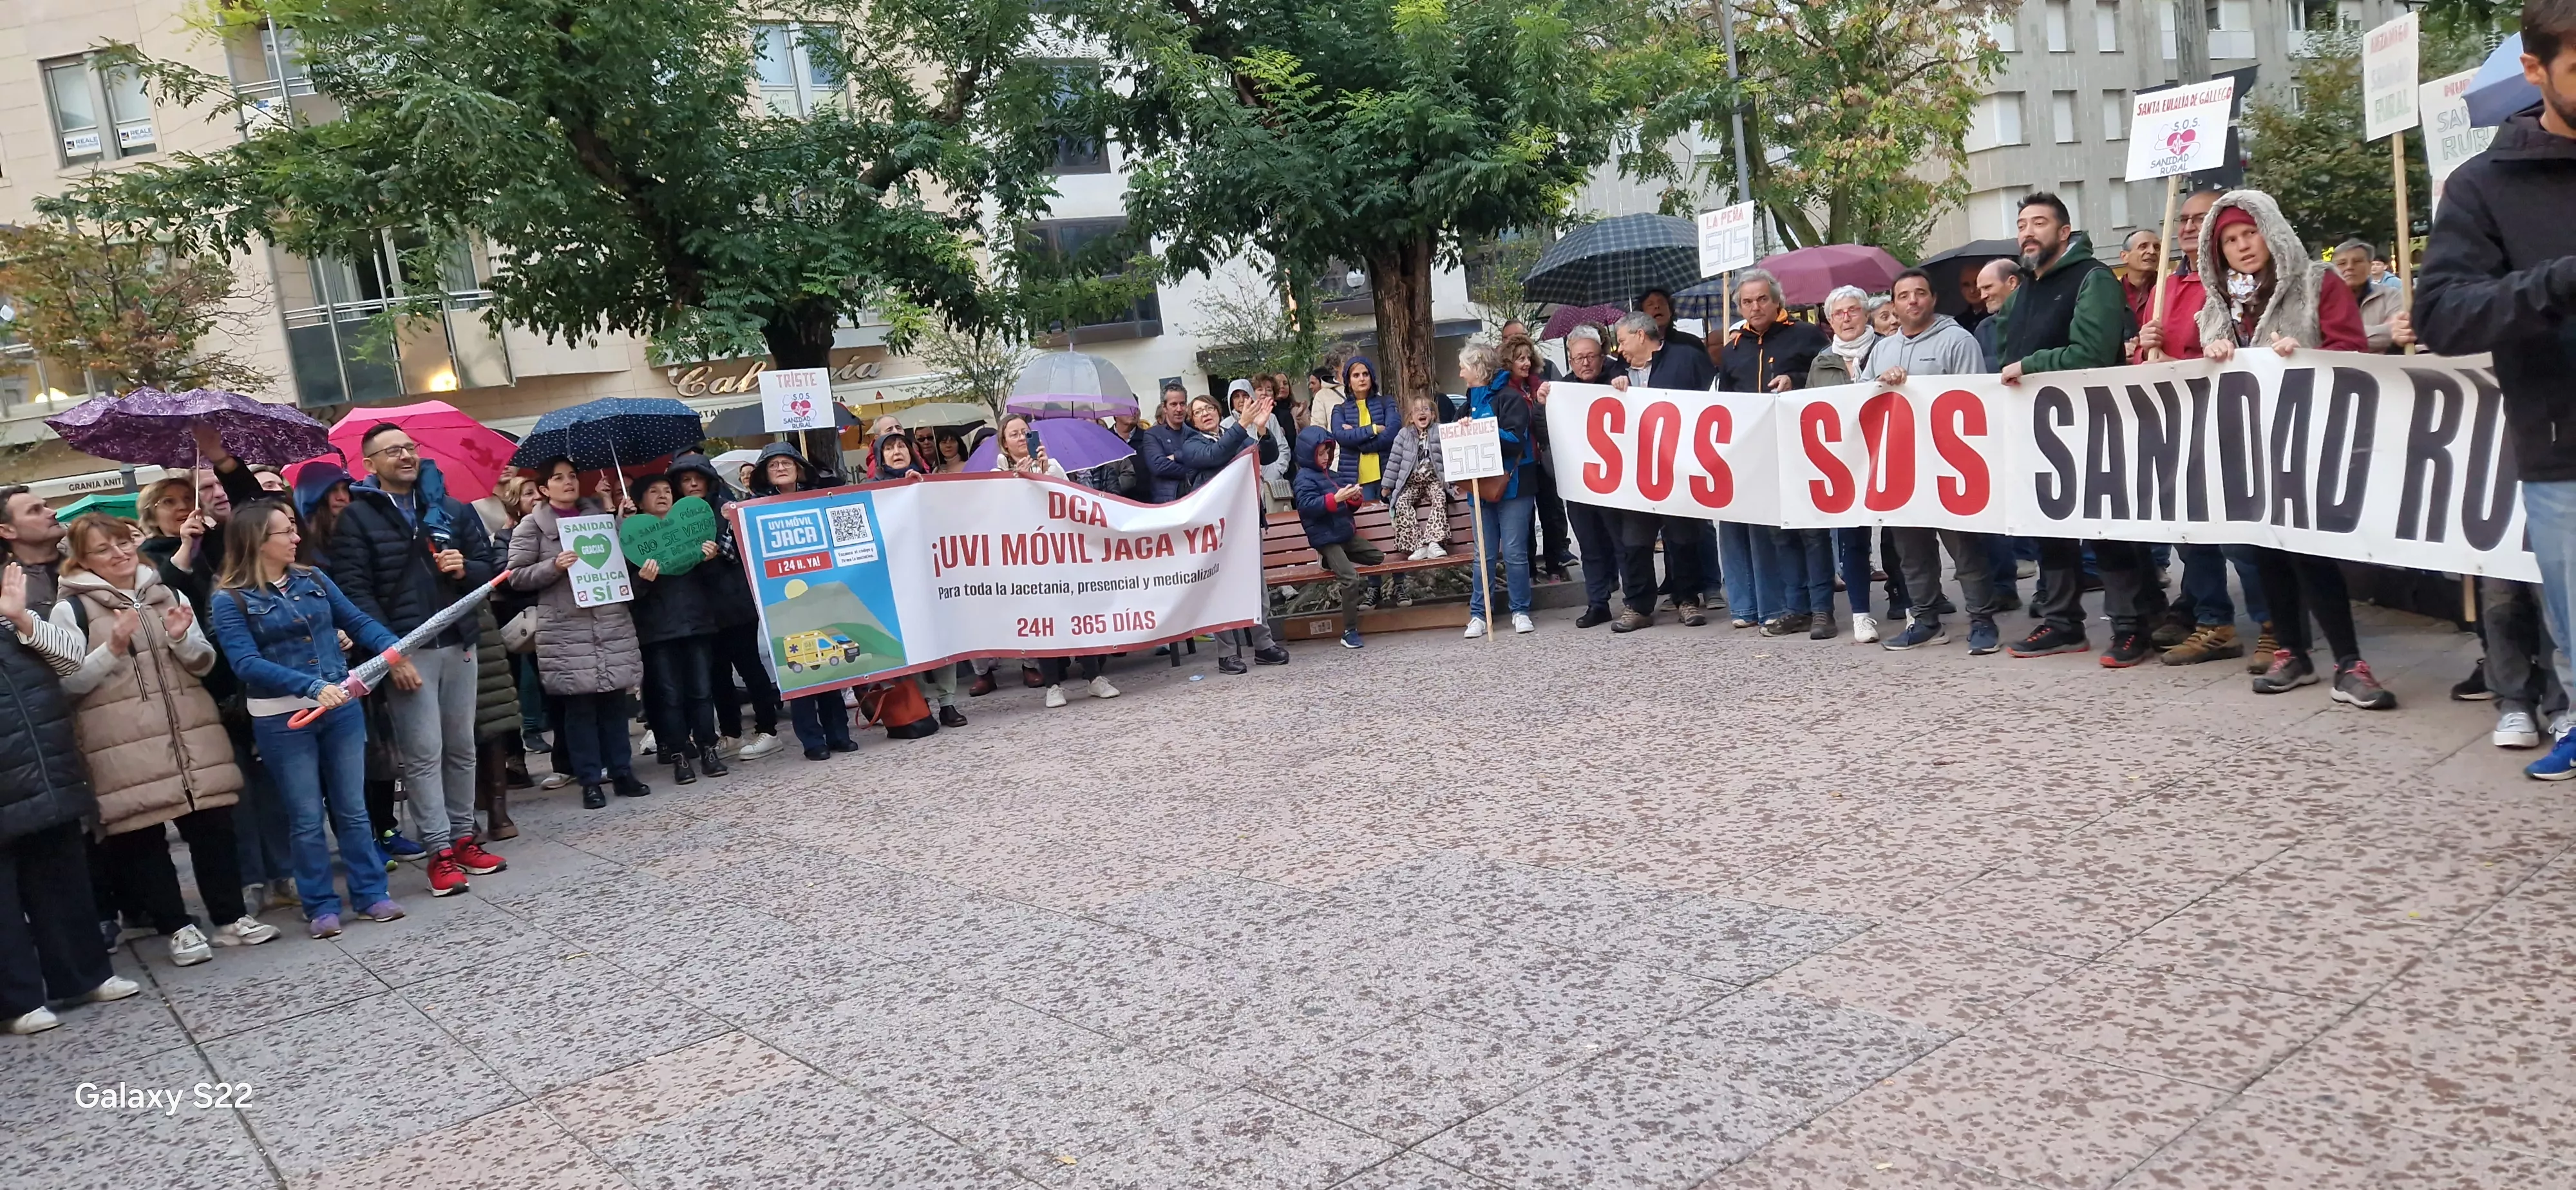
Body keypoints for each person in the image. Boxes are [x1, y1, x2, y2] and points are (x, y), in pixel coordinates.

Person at [2416, 1, 2576, 771]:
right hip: (2563, 451)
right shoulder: (2483, 186)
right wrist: (2556, 284)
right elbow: (2442, 317)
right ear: (2534, 71)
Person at [2152, 190, 2389, 706]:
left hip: (2310, 439)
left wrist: (2306, 355)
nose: (2241, 247)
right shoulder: (2218, 303)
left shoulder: (2317, 282)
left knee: (2312, 554)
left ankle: (2350, 662)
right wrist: (2215, 353)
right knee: (2267, 550)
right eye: (2230, 240)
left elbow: (2351, 350)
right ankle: (2293, 653)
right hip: (2248, 446)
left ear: (2271, 230)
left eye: (2248, 233)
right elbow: (2199, 366)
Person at [50, 515, 277, 967]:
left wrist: (180, 641)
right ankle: (176, 926)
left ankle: (230, 918)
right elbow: (68, 684)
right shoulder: (69, 611)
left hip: (189, 730)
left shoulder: (166, 592)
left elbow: (202, 662)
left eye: (121, 542)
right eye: (103, 549)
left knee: (212, 825)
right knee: (142, 835)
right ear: (82, 559)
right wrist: (112, 648)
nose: (118, 554)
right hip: (120, 741)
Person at [205, 500, 409, 939]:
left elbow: (354, 619)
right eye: (286, 531)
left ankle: (372, 893)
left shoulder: (313, 578)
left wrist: (393, 646)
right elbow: (245, 663)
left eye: (294, 528)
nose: (297, 537)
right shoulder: (230, 599)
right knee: (304, 816)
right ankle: (320, 904)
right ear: (259, 541)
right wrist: (310, 686)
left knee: (353, 809)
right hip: (283, 720)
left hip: (341, 710)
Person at [1991, 192, 2166, 665]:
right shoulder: (2025, 289)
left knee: (2108, 528)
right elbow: (2002, 353)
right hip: (2042, 427)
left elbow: (2089, 353)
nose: (2028, 231)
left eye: (2040, 223)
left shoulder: (2093, 280)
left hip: (2094, 424)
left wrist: (2029, 365)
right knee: (2051, 527)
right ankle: (2063, 622)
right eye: (2023, 223)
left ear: (2064, 232)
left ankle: (2133, 626)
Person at [328, 422, 503, 896]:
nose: (405, 456)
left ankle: (466, 837)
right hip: (406, 652)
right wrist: (390, 654)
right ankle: (439, 852)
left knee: (462, 746)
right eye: (392, 451)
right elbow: (355, 593)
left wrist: (466, 568)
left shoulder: (449, 508)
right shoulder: (357, 519)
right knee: (424, 753)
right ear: (370, 464)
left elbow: (492, 572)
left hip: (459, 640)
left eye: (410, 447)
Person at [1, 560, 142, 1034]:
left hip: (44, 769)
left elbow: (71, 659)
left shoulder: (14, 613)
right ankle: (17, 1002)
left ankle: (84, 976)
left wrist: (22, 619)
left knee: (61, 879)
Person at [2136, 186, 2273, 667]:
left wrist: (2174, 359)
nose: (2190, 227)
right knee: (2191, 536)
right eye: (2184, 220)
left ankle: (2274, 624)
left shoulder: (2233, 286)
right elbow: (2143, 364)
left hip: (2231, 427)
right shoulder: (2163, 289)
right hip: (2177, 428)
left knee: (2242, 536)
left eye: (2201, 219)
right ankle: (2214, 623)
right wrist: (2142, 345)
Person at [1867, 269, 2006, 656]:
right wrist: (1880, 381)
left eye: (1920, 293)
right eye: (1904, 295)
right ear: (1893, 305)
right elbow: (1863, 398)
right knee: (1912, 552)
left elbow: (1973, 400)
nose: (1912, 301)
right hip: (1902, 466)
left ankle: (1983, 621)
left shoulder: (1957, 341)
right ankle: (1925, 620)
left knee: (1964, 549)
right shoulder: (1882, 349)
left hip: (1949, 464)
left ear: (1933, 299)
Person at [509, 458, 655, 801]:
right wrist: (553, 565)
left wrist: (625, 523)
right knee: (579, 710)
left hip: (609, 622)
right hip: (565, 629)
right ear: (544, 489)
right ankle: (589, 780)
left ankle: (623, 772)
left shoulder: (600, 520)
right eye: (558, 478)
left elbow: (621, 559)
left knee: (614, 705)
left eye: (572, 476)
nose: (568, 482)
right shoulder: (531, 527)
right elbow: (515, 576)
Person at [1600, 312, 1718, 631]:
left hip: (1678, 465)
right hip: (1637, 471)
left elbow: (1713, 398)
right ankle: (1638, 606)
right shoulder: (1615, 369)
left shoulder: (1686, 359)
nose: (1619, 347)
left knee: (1682, 537)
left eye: (1623, 340)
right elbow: (1589, 399)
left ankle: (1687, 600)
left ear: (1641, 335)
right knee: (1635, 540)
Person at [668, 452, 793, 750]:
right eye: (686, 480)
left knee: (749, 665)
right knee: (717, 673)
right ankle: (732, 732)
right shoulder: (675, 516)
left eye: (697, 478)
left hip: (735, 603)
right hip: (702, 607)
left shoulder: (726, 508)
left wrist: (719, 550)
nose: (693, 484)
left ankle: (768, 728)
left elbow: (743, 551)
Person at [746, 442, 860, 757]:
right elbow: (737, 553)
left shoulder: (818, 500)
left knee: (831, 671)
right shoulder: (752, 510)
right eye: (773, 465)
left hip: (822, 596)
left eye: (787, 462)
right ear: (764, 475)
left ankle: (838, 734)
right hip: (783, 603)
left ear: (799, 468)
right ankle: (812, 741)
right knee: (800, 672)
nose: (781, 468)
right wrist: (732, 521)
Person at [624, 473, 728, 787]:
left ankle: (709, 748)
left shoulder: (691, 531)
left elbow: (715, 584)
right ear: (640, 502)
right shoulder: (632, 540)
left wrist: (709, 560)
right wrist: (643, 579)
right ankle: (680, 754)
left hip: (696, 623)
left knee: (701, 690)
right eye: (653, 492)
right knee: (669, 695)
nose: (662, 496)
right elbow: (628, 593)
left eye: (667, 491)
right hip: (657, 631)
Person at [1178, 394, 1288, 672]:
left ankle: (1263, 645)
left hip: (1247, 522)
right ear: (1193, 421)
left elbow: (1268, 455)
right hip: (1215, 528)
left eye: (1209, 408)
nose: (1205, 414)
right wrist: (1243, 425)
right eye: (1198, 411)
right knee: (1221, 589)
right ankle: (1227, 653)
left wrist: (1261, 429)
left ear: (1217, 411)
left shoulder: (1234, 434)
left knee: (1256, 586)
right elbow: (1216, 455)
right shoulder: (1191, 445)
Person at [1806, 284, 1886, 643]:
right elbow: (1810, 410)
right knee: (1852, 540)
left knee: (1902, 537)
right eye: (1838, 314)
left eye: (1853, 310)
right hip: (1845, 462)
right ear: (1829, 321)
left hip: (1889, 454)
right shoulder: (1821, 362)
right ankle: (1861, 613)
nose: (1846, 318)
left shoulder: (1888, 350)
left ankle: (1914, 604)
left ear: (1866, 313)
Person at [1553, 326, 1634, 627]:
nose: (1585, 363)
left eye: (1591, 356)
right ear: (1571, 361)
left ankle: (1634, 603)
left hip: (1617, 481)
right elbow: (1542, 427)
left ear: (1603, 356)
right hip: (1580, 482)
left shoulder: (1619, 379)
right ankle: (1597, 603)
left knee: (1622, 544)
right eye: (1578, 358)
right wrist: (1541, 403)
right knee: (1589, 547)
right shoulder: (1561, 389)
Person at [1457, 343, 1538, 638]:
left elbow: (1517, 438)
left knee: (1515, 552)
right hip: (1479, 488)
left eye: (1464, 366)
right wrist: (1464, 431)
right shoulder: (1466, 404)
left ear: (1478, 367)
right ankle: (1479, 613)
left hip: (1514, 484)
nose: (1460, 372)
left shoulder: (1510, 398)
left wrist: (1481, 428)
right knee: (1484, 554)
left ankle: (1520, 610)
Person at [1293, 428, 1382, 648]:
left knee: (1377, 557)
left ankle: (1330, 561)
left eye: (1328, 453)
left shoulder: (1331, 475)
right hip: (1326, 538)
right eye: (1321, 454)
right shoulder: (1303, 478)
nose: (1325, 458)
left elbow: (1347, 508)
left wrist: (1353, 499)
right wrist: (1335, 498)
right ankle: (1349, 631)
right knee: (1350, 578)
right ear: (1309, 454)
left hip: (1344, 533)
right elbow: (1308, 507)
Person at [1497, 334, 1573, 585]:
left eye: (1528, 357)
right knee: (1525, 519)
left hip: (1544, 460)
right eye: (1520, 359)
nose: (1526, 363)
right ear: (1509, 362)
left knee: (1552, 514)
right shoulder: (1504, 391)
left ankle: (1555, 565)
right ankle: (1529, 570)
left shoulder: (1538, 385)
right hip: (1522, 464)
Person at [1383, 395, 1449, 563]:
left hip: (1434, 479)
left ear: (1433, 415)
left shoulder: (1440, 431)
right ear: (1411, 418)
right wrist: (1387, 486)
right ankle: (1419, 545)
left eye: (1426, 409)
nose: (1422, 413)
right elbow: (1395, 461)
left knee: (1440, 497)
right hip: (1412, 482)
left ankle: (1434, 542)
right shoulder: (1404, 435)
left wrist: (1453, 482)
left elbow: (1450, 456)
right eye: (1417, 410)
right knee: (1402, 503)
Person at [1329, 357, 1397, 505]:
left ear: (1372, 378)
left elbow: (1391, 434)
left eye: (1365, 374)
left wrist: (1358, 439)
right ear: (1348, 381)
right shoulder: (1340, 410)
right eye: (1356, 375)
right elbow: (1342, 437)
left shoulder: (1387, 403)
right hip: (1356, 481)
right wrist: (1373, 429)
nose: (1362, 379)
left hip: (1387, 476)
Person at [2333, 239, 2408, 353]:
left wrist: (2341, 337)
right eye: (2342, 263)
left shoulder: (2390, 295)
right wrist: (2385, 330)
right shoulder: (2323, 300)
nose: (2349, 267)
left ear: (2370, 265)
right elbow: (2318, 340)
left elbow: (2400, 332)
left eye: (2357, 261)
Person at [1138, 383, 1194, 503]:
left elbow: (1207, 459)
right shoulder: (1152, 435)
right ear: (1164, 407)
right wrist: (1193, 469)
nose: (1179, 409)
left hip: (1195, 500)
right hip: (1167, 504)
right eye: (1174, 404)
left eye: (1182, 404)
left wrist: (1176, 456)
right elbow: (1158, 466)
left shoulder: (1194, 432)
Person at [1971, 258, 2022, 370]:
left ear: (2012, 282)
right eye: (1980, 290)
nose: (1983, 296)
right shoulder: (1983, 329)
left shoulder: (2043, 317)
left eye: (1988, 287)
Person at [1636, 287, 1702, 350]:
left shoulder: (1691, 343)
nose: (1657, 306)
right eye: (1650, 304)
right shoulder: (1636, 348)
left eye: (1662, 303)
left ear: (1670, 311)